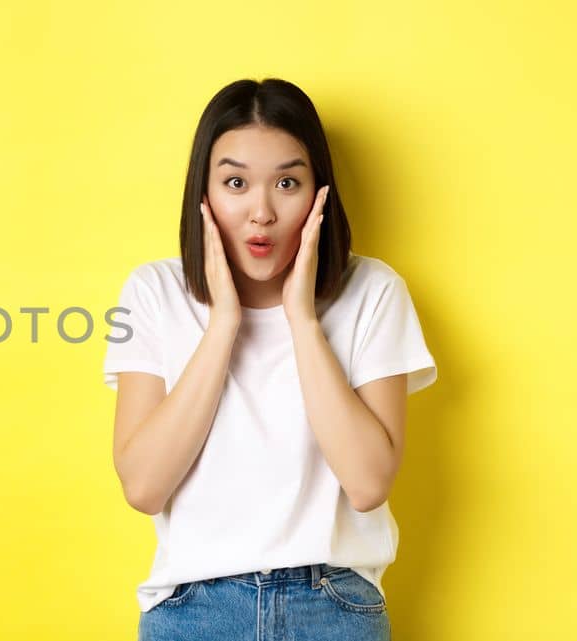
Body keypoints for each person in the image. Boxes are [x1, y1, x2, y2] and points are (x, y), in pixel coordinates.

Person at [103, 78, 437, 641]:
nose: (261, 212)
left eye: (287, 182)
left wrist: (302, 320)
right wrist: (225, 325)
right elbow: (143, 487)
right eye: (236, 182)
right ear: (203, 195)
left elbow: (367, 483)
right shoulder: (152, 292)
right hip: (193, 611)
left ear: (319, 191)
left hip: (334, 608)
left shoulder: (373, 292)